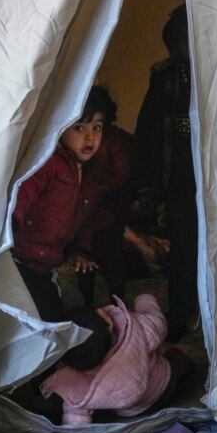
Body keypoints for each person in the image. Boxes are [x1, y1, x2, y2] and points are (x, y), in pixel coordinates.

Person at [12, 88, 112, 321]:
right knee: (46, 319)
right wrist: (7, 231)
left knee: (76, 307)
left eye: (97, 127)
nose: (90, 137)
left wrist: (79, 251)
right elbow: (21, 199)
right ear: (61, 127)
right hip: (20, 261)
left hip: (46, 266)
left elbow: (83, 222)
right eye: (80, 128)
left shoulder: (88, 175)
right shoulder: (48, 163)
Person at [133, 4, 199, 342]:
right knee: (184, 251)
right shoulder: (166, 77)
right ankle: (181, 315)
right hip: (179, 182)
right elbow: (147, 134)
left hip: (214, 181)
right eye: (182, 41)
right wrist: (146, 189)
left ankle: (213, 312)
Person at [39, 293, 192, 426]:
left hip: (127, 411)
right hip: (163, 385)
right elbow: (158, 324)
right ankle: (186, 364)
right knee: (178, 364)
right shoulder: (135, 328)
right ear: (108, 321)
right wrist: (144, 300)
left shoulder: (76, 375)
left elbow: (76, 407)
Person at [77, 87, 134, 305]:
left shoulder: (115, 140)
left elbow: (123, 173)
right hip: (84, 214)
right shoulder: (76, 140)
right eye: (83, 124)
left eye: (97, 125)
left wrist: (98, 189)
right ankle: (86, 304)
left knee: (113, 259)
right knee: (83, 259)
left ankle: (118, 304)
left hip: (110, 213)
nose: (90, 134)